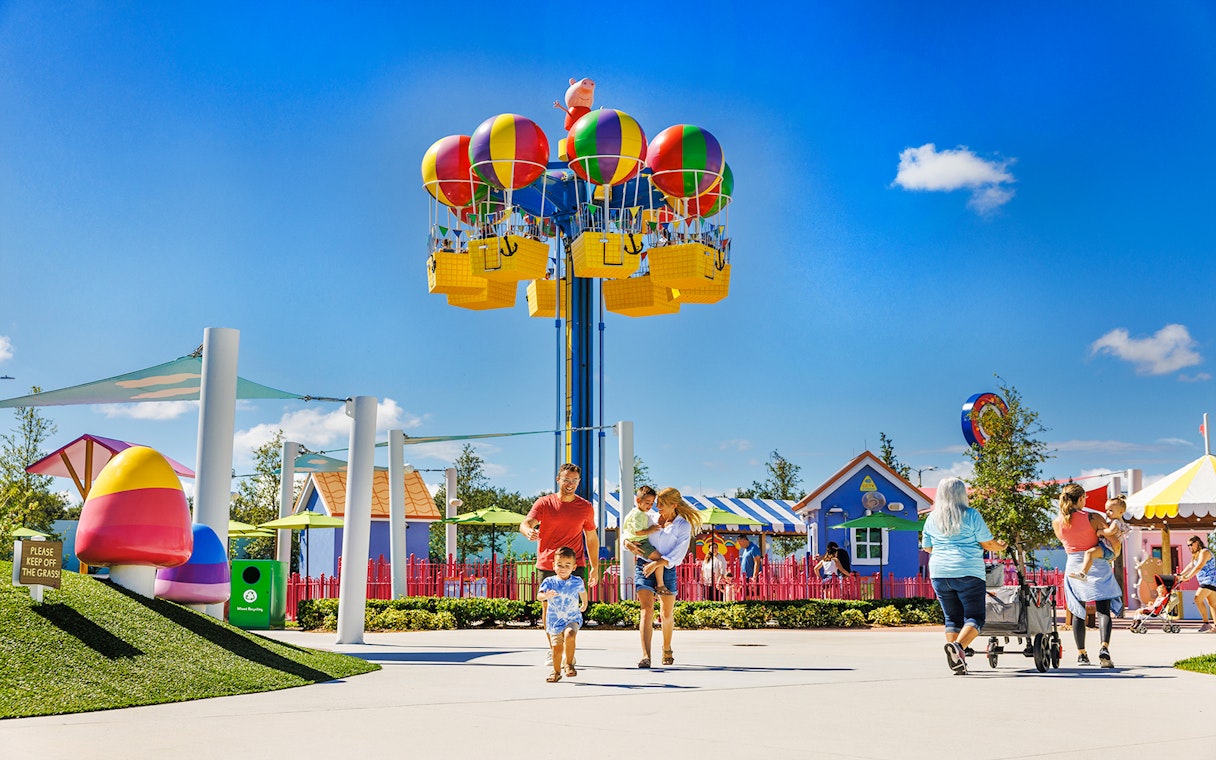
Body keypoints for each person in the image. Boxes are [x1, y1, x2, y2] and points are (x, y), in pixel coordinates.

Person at [921, 477, 1007, 675]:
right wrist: (1000, 545)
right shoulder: (971, 514)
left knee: (952, 618)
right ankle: (958, 648)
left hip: (940, 573)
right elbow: (987, 543)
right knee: (975, 617)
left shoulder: (931, 518)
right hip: (968, 570)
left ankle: (957, 659)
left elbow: (927, 546)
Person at [520, 463, 599, 665]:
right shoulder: (544, 503)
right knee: (548, 608)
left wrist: (595, 567)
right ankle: (554, 649)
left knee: (571, 608)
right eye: (566, 480)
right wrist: (528, 531)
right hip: (548, 564)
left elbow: (591, 538)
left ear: (579, 482)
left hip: (575, 564)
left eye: (574, 481)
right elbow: (526, 522)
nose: (570, 484)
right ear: (558, 480)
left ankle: (568, 648)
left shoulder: (585, 507)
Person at [624, 486, 702, 668]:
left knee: (666, 614)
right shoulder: (648, 516)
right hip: (644, 565)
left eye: (662, 505)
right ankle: (645, 656)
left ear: (674, 505)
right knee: (646, 609)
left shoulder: (683, 525)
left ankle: (667, 647)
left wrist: (658, 563)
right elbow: (629, 531)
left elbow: (679, 553)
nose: (657, 507)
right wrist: (627, 542)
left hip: (666, 568)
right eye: (657, 504)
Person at [1053, 482, 1123, 668]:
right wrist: (1115, 553)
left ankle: (1081, 654)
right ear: (1081, 498)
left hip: (1074, 566)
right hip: (1098, 564)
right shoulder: (1094, 517)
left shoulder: (1057, 521)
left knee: (1078, 610)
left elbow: (1066, 542)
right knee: (1103, 608)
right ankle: (1104, 648)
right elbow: (1113, 540)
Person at [537, 547, 588, 682]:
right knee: (556, 648)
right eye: (559, 565)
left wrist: (585, 603)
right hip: (555, 621)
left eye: (567, 565)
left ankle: (569, 664)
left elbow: (583, 592)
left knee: (570, 634)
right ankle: (556, 671)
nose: (563, 568)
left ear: (574, 567)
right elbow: (539, 596)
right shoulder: (549, 582)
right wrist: (545, 595)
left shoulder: (577, 581)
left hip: (572, 617)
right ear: (553, 566)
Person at [620, 485, 671, 595]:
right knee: (659, 559)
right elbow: (637, 532)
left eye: (652, 503)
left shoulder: (638, 513)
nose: (650, 505)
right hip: (642, 542)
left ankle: (658, 581)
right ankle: (660, 585)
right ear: (638, 500)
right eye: (647, 502)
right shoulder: (638, 515)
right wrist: (650, 530)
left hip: (641, 542)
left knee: (657, 560)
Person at [1069, 496, 1129, 581]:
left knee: (1089, 553)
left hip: (1108, 548)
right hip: (1109, 548)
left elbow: (1110, 532)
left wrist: (1100, 532)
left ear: (1121, 511)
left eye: (1111, 510)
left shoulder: (1116, 522)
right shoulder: (1116, 522)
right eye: (1106, 510)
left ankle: (1083, 573)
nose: (1107, 512)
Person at [1176, 535, 1216, 632]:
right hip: (1206, 581)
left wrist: (1187, 577)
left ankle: (1206, 624)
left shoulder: (1204, 552)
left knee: (1197, 599)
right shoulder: (1197, 554)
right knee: (1212, 604)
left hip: (1210, 580)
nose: (1189, 547)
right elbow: (1191, 565)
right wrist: (1180, 575)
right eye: (1187, 545)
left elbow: (1198, 567)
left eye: (1191, 544)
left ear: (1197, 542)